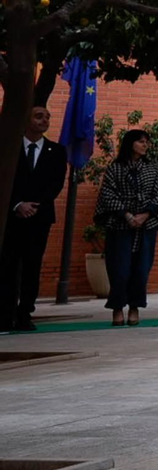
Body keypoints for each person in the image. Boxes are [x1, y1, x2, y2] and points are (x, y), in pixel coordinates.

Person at [1, 107, 67, 332]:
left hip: (39, 217)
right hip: (11, 216)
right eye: (39, 116)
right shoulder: (9, 147)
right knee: (8, 265)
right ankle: (4, 313)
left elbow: (55, 184)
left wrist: (34, 205)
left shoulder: (56, 151)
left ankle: (24, 313)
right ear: (26, 119)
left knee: (32, 265)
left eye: (48, 116)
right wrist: (18, 205)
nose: (44, 120)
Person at [94, 130, 158, 326]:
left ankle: (135, 307)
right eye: (141, 142)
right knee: (119, 269)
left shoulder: (151, 168)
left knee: (141, 269)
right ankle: (117, 308)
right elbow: (107, 195)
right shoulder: (115, 168)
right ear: (130, 144)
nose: (145, 145)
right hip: (120, 225)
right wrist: (127, 215)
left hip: (146, 225)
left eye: (147, 142)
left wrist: (145, 214)